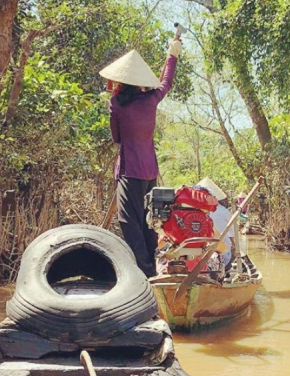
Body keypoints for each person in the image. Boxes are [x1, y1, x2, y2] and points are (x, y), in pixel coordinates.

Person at [100, 40, 182, 277]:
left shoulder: (116, 103)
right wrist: (172, 55)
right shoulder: (151, 99)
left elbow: (116, 138)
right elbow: (166, 82)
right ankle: (152, 270)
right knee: (149, 222)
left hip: (130, 170)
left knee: (129, 221)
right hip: (150, 171)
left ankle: (144, 273)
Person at [197, 177, 235, 269]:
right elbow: (232, 234)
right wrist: (234, 247)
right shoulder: (224, 211)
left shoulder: (190, 214)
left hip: (200, 256)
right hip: (217, 254)